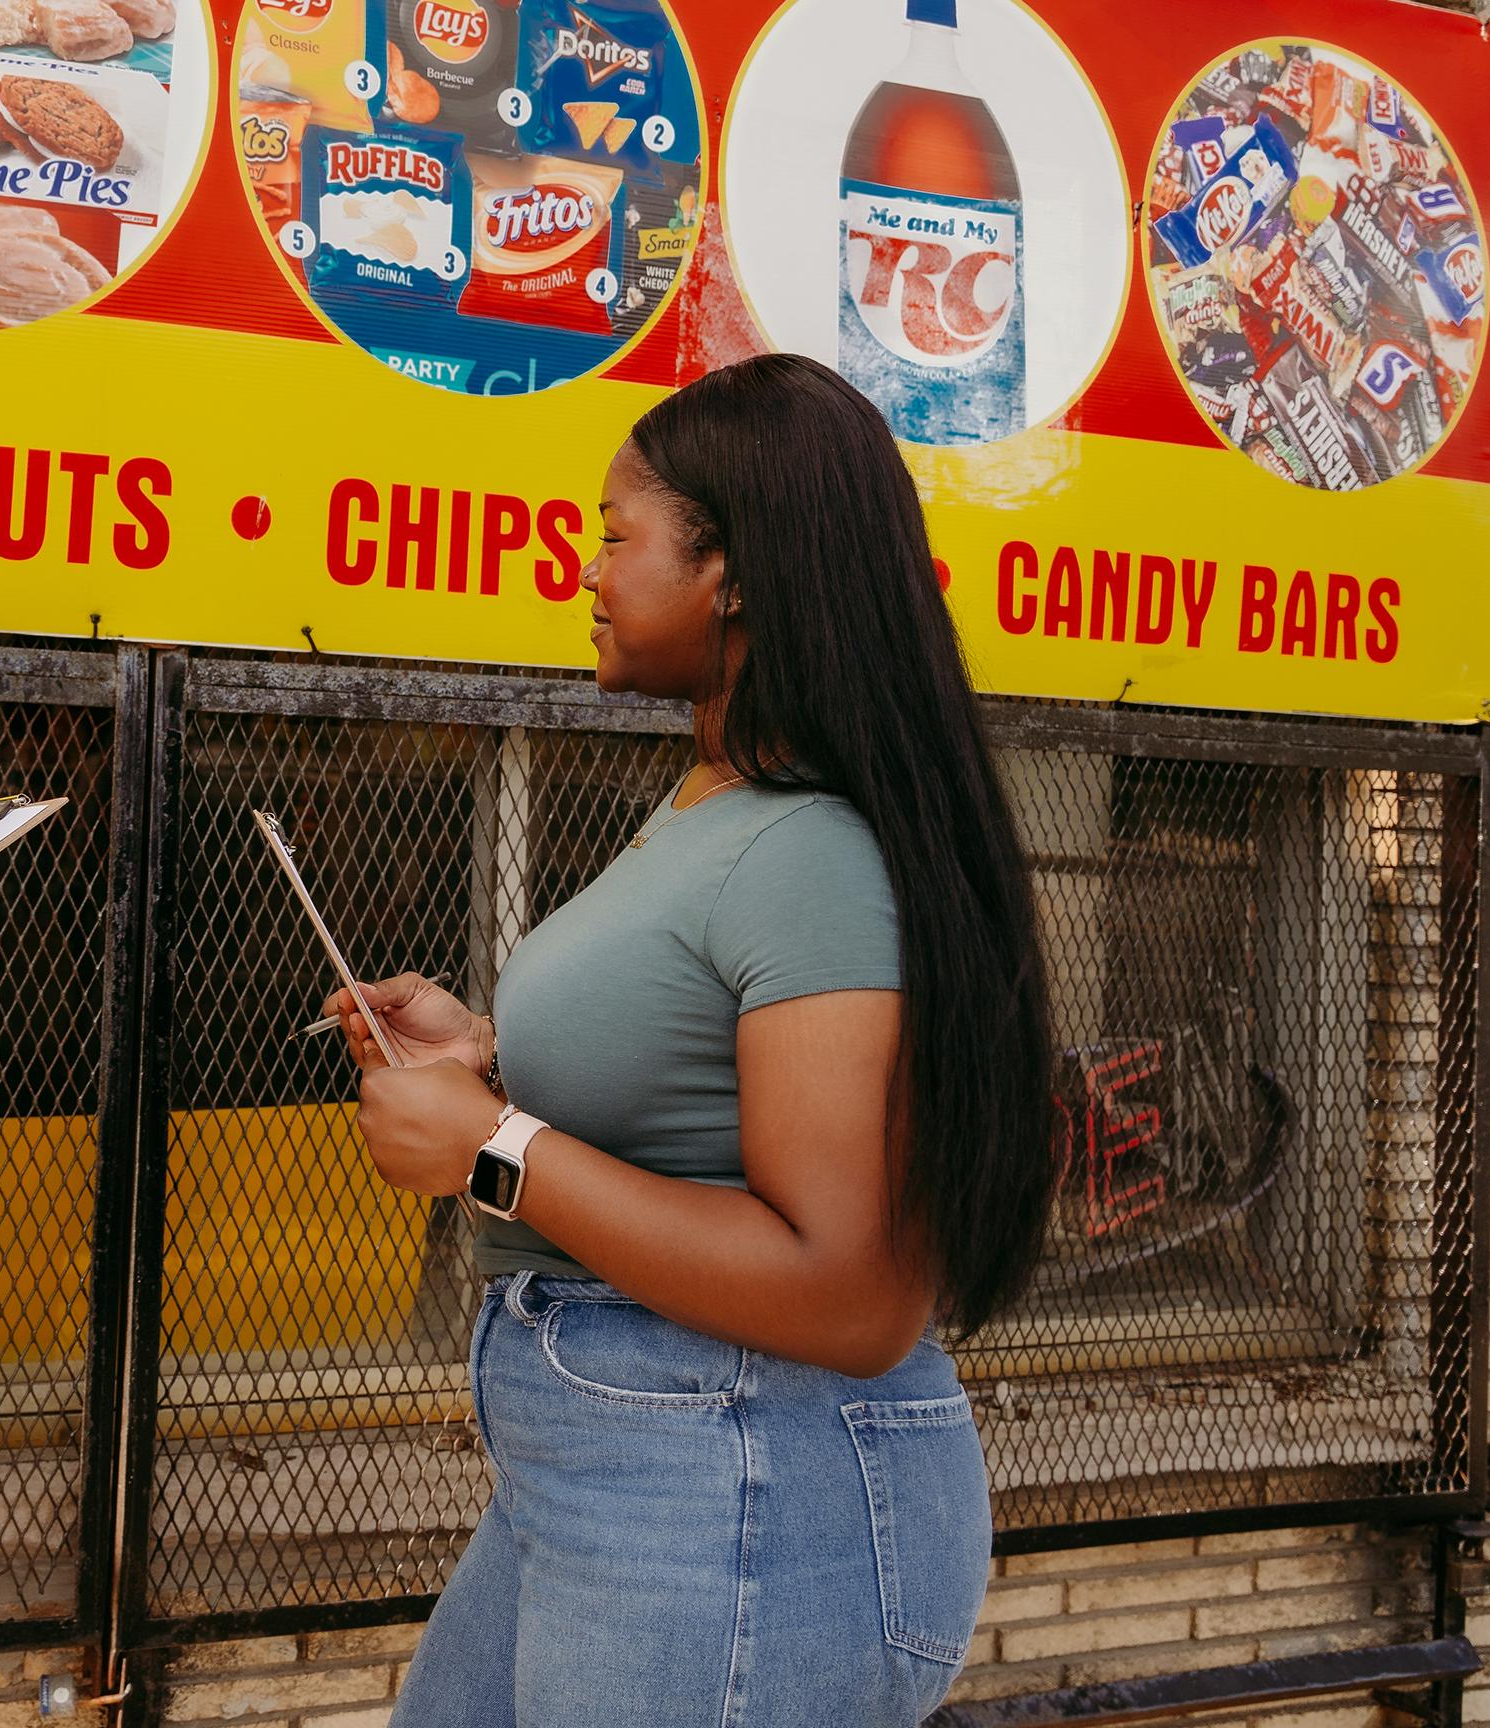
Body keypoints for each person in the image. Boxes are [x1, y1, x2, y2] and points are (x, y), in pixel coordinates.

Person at [333, 354, 1052, 1727]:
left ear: (733, 571)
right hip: (621, 1470)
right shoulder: (715, 808)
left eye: (617, 533)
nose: (587, 568)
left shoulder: (810, 849)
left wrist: (490, 1146)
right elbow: (698, 1100)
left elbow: (851, 1292)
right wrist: (487, 1063)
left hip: (744, 1485)